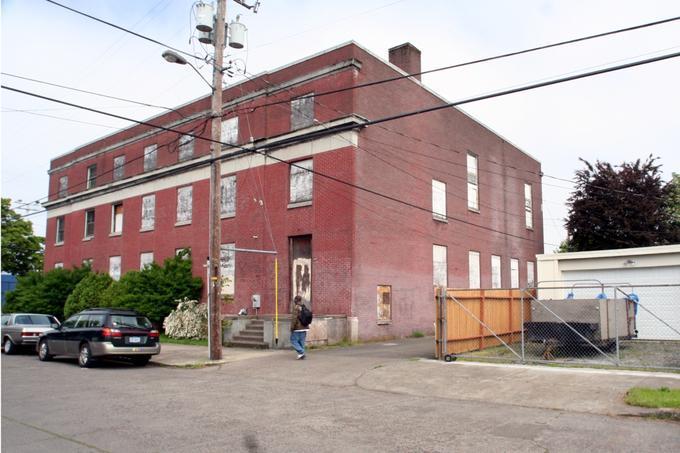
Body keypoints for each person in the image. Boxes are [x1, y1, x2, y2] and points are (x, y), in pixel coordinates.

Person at [290, 295, 308, 360]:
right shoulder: (304, 306)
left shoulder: (296, 307)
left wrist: (292, 328)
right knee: (301, 341)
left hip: (297, 328)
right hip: (305, 327)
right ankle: (301, 355)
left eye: (294, 300)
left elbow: (294, 319)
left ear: (296, 300)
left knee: (293, 340)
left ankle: (302, 352)